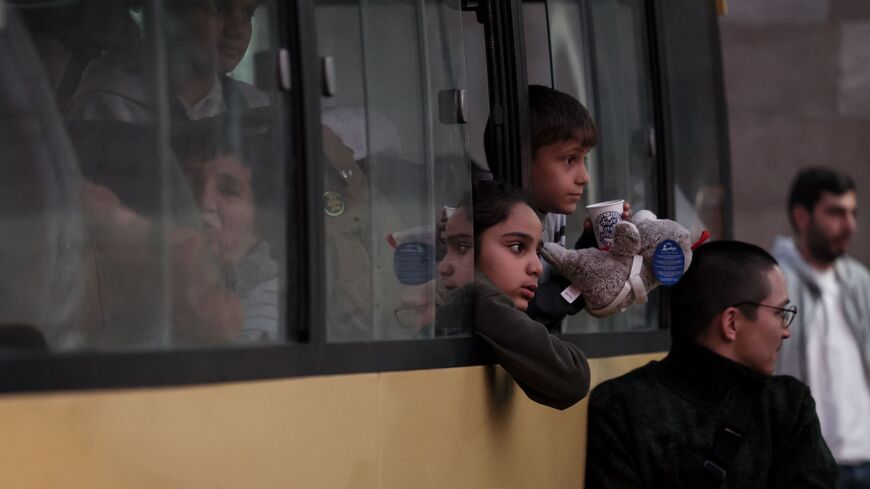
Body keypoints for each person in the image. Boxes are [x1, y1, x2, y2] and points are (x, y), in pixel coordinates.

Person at [585, 240, 838, 488]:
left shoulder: (618, 406)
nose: (786, 331)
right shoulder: (783, 406)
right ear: (732, 323)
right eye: (779, 313)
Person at [484, 85, 629, 330]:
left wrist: (594, 248)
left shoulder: (550, 215)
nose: (584, 177)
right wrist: (589, 278)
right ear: (522, 160)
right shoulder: (496, 219)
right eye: (570, 159)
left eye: (584, 160)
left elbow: (555, 290)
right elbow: (532, 310)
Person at [436, 180, 590, 409]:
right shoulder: (468, 303)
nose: (537, 267)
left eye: (538, 251)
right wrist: (476, 291)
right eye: (518, 247)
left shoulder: (484, 309)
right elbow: (574, 376)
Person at [772, 167, 870, 487]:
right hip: (809, 466)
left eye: (853, 213)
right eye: (836, 213)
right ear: (802, 216)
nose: (850, 225)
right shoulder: (773, 282)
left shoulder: (860, 281)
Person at [67, 0, 268, 123]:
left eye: (247, 14)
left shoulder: (254, 106)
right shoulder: (109, 103)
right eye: (220, 7)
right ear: (169, 11)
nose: (237, 30)